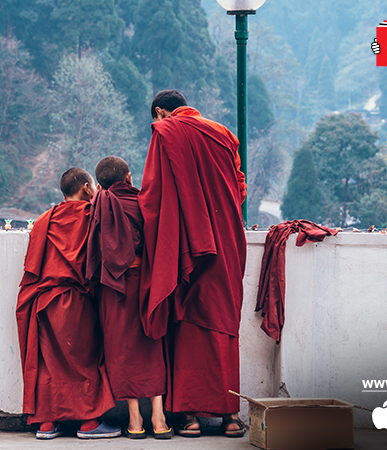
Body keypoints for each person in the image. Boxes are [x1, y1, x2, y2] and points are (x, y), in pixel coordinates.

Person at [138, 90, 248, 438]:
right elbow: (239, 189)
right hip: (227, 242)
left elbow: (152, 193)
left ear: (160, 112)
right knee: (222, 321)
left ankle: (189, 417)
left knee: (186, 323)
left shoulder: (166, 132)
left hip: (188, 242)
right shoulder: (224, 134)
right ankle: (230, 416)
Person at [16, 167, 121, 440]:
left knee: (48, 362)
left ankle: (47, 423)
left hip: (44, 299)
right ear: (87, 189)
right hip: (77, 299)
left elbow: (34, 264)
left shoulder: (44, 220)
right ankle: (88, 423)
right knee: (84, 359)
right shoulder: (91, 216)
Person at [86, 156, 171, 440]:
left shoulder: (99, 204)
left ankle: (135, 419)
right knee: (151, 343)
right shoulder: (145, 202)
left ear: (99, 185)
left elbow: (94, 250)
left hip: (114, 288)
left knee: (120, 348)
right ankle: (158, 417)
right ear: (129, 178)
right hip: (147, 284)